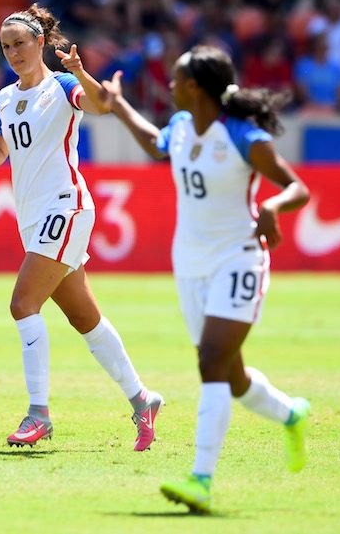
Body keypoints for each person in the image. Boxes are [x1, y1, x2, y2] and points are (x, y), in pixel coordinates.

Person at [102, 45, 311, 513]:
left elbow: (296, 187)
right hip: (190, 264)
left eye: (176, 79)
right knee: (231, 376)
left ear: (195, 87)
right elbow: (154, 142)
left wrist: (273, 206)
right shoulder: (180, 126)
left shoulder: (243, 136)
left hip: (237, 260)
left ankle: (201, 480)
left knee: (211, 361)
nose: (170, 85)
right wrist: (118, 106)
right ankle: (291, 413)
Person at [0, 4, 164, 450]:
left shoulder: (61, 85)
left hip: (66, 207)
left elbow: (101, 105)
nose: (13, 53)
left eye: (20, 43)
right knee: (83, 317)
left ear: (40, 42)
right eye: (6, 46)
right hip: (33, 217)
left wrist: (80, 71)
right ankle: (142, 398)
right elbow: (1, 154)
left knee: (23, 304)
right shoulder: (4, 98)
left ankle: (38, 414)